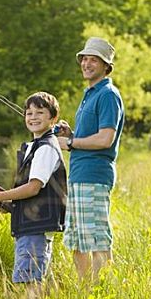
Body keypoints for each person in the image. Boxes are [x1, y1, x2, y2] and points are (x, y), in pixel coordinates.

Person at [0, 91, 67, 299]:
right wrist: (9, 205)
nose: (33, 117)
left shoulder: (46, 148)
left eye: (40, 112)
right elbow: (32, 194)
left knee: (31, 283)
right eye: (29, 113)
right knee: (30, 281)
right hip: (32, 225)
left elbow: (33, 188)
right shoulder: (35, 146)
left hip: (35, 228)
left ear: (52, 118)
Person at [56, 37, 125, 285]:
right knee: (77, 240)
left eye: (93, 59)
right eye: (84, 58)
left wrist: (72, 144)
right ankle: (86, 293)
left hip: (94, 177)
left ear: (106, 65)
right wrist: (71, 135)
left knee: (96, 239)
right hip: (79, 177)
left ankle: (102, 294)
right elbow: (91, 137)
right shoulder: (90, 94)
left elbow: (106, 138)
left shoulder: (107, 94)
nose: (86, 63)